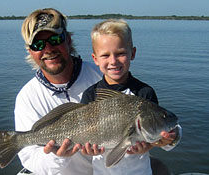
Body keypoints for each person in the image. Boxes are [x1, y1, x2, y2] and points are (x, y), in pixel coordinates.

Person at [80, 19, 182, 175]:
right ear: (95, 59)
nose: (113, 61)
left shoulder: (144, 93)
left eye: (120, 53)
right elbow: (82, 138)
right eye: (105, 55)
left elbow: (158, 136)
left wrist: (154, 143)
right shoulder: (90, 95)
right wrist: (85, 149)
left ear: (132, 53)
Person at [15, 8, 102, 175]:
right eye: (38, 44)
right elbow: (30, 159)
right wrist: (57, 156)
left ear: (68, 40)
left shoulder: (102, 76)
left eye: (55, 39)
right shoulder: (27, 97)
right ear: (30, 51)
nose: (48, 49)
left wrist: (165, 141)